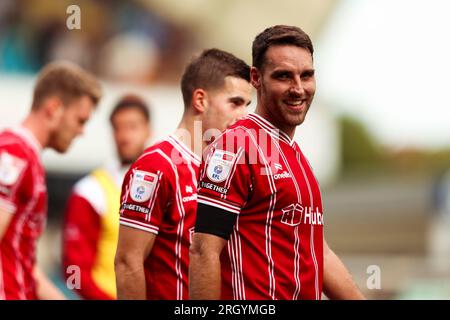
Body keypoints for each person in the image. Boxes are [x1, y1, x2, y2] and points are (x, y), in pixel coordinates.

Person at [189, 25, 365, 300]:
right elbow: (203, 251)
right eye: (283, 76)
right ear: (256, 79)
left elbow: (319, 251)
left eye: (306, 75)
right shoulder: (235, 147)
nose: (298, 88)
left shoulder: (297, 156)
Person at [114, 48, 252, 300]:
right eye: (235, 103)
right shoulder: (154, 167)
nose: (244, 115)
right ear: (200, 100)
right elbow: (127, 262)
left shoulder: (227, 171)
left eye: (247, 105)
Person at [0, 61, 102, 300]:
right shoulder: (14, 155)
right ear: (54, 108)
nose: (82, 131)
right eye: (80, 120)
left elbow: (23, 263)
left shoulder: (27, 157)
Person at [62, 95, 152, 300]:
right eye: (118, 128)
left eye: (132, 126)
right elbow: (73, 270)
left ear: (148, 130)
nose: (124, 136)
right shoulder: (90, 191)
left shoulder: (170, 185)